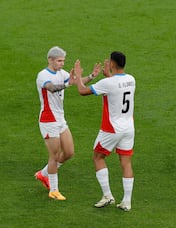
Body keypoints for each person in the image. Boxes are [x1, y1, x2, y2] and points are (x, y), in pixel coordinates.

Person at [72, 51, 136, 211]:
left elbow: (82, 91)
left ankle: (107, 195)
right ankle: (127, 202)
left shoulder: (108, 83)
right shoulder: (131, 79)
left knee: (98, 157)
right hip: (129, 127)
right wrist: (109, 75)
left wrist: (79, 76)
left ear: (113, 64)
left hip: (112, 128)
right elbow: (116, 87)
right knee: (126, 162)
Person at [35, 46, 101, 200]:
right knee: (55, 155)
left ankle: (44, 174)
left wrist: (91, 76)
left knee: (69, 152)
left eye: (63, 61)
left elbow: (76, 81)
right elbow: (51, 88)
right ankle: (54, 190)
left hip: (60, 118)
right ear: (50, 60)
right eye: (59, 61)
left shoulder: (61, 73)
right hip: (48, 119)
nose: (62, 64)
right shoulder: (43, 75)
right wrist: (68, 84)